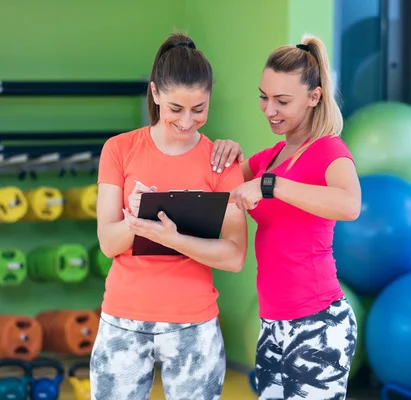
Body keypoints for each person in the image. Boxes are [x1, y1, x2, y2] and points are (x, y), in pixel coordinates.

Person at [90, 32, 248, 400]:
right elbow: (108, 243)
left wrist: (173, 238)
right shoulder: (119, 149)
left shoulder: (221, 160)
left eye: (200, 109)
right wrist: (134, 216)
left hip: (194, 322)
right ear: (156, 94)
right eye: (176, 108)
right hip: (123, 320)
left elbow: (235, 256)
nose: (188, 121)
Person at [211, 34, 362, 399]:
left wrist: (272, 186)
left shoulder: (328, 149)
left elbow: (349, 205)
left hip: (318, 322)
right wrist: (225, 153)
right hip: (273, 323)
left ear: (314, 97)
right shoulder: (271, 157)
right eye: (263, 97)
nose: (269, 109)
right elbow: (217, 193)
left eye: (282, 101)